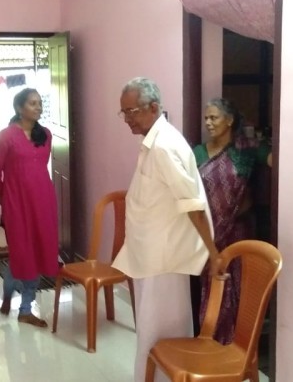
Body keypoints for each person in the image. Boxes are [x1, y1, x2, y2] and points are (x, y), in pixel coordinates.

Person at [111, 77, 218, 382]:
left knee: (161, 334)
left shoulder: (163, 146)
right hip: (151, 256)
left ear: (154, 107)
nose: (127, 119)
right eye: (123, 112)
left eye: (132, 111)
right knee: (151, 331)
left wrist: (213, 253)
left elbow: (192, 203)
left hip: (164, 261)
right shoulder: (153, 141)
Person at [191, 98, 272, 343]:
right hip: (207, 234)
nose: (208, 123)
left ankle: (238, 344)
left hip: (238, 230)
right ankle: (212, 341)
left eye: (214, 117)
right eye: (206, 118)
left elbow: (274, 160)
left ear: (229, 120)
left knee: (238, 286)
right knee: (212, 285)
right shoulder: (198, 152)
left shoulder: (245, 150)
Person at [0, 87, 58, 328]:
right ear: (19, 108)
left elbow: (40, 168)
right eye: (32, 103)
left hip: (43, 202)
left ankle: (25, 309)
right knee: (21, 254)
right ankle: (8, 293)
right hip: (16, 205)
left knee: (37, 252)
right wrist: (8, 201)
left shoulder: (45, 135)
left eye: (39, 103)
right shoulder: (5, 137)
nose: (38, 107)